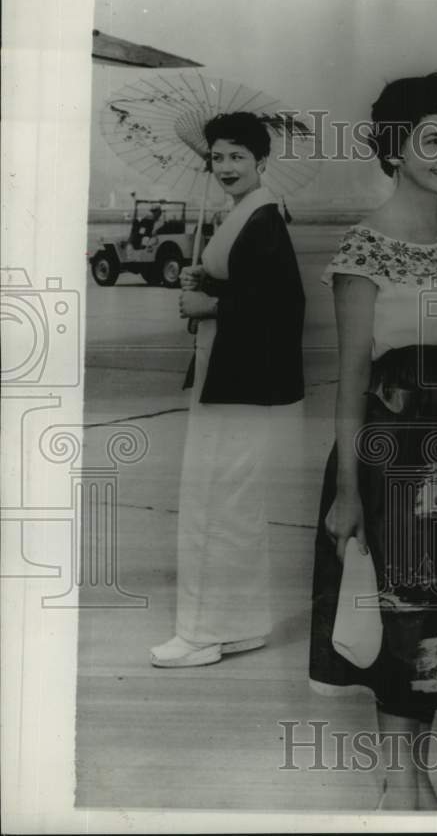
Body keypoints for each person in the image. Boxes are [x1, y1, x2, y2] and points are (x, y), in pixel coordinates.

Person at [309, 73, 437, 811]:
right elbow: (352, 374)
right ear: (396, 147)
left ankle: (412, 781)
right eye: (433, 139)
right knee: (402, 612)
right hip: (396, 455)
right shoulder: (365, 246)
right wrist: (346, 492)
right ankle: (400, 786)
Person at [150, 111, 305, 667]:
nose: (226, 167)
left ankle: (203, 633)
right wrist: (206, 283)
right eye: (217, 157)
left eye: (238, 156)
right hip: (232, 381)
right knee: (231, 506)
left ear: (262, 162)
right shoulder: (243, 214)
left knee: (213, 505)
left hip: (240, 387)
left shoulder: (263, 218)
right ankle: (241, 625)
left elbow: (285, 307)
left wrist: (211, 303)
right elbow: (252, 286)